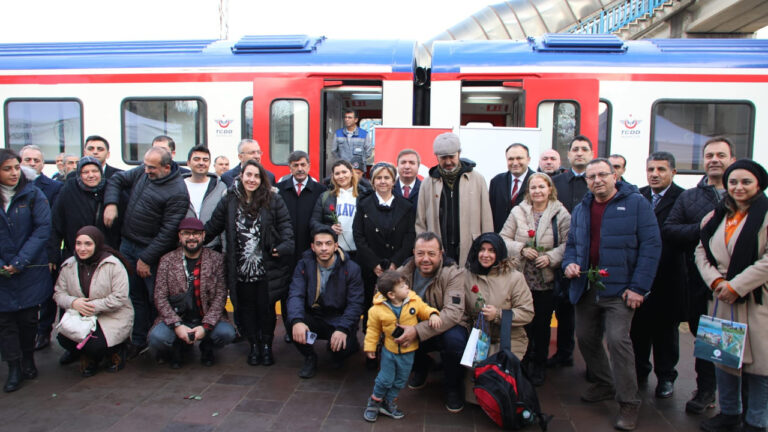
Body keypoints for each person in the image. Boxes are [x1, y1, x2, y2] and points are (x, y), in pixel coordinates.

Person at [562, 158, 661, 431]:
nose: (596, 180)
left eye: (602, 175)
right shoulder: (582, 209)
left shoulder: (637, 204)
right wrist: (568, 263)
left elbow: (651, 246)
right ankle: (604, 383)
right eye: (591, 177)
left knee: (618, 341)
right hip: (586, 285)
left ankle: (629, 403)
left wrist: (639, 287)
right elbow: (572, 244)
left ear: (614, 175)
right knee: (585, 337)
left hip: (620, 288)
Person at [663, 136, 736, 414]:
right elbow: (671, 230)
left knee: (729, 340)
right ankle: (706, 389)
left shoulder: (743, 194)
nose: (714, 160)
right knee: (705, 336)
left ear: (731, 158)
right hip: (698, 281)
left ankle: (730, 400)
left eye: (720, 155)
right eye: (709, 155)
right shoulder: (690, 197)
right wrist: (702, 229)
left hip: (736, 285)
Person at [694, 159, 768, 432]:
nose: (738, 187)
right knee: (722, 360)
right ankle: (729, 413)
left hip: (754, 300)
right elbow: (700, 251)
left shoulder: (766, 214)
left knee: (761, 368)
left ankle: (757, 421)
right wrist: (715, 280)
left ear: (758, 184)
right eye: (733, 182)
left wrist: (736, 285)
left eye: (746, 181)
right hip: (721, 298)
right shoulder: (716, 216)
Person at [204, 160, 294, 366]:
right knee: (245, 310)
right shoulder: (229, 199)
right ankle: (253, 346)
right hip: (240, 268)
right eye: (249, 175)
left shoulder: (273, 199)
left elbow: (286, 228)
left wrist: (282, 248)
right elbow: (213, 225)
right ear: (241, 176)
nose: (252, 180)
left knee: (266, 310)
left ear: (261, 179)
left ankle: (266, 346)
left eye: (256, 176)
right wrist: (193, 239)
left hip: (267, 268)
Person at [103, 147, 190, 356]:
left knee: (155, 299)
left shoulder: (177, 191)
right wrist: (111, 203)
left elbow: (168, 232)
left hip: (149, 252)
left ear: (166, 168)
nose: (146, 170)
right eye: (145, 165)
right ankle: (139, 340)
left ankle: (164, 343)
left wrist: (146, 258)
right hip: (127, 245)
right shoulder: (144, 171)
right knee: (134, 296)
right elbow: (116, 180)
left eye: (152, 167)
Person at [499, 172, 571, 386]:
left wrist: (550, 258)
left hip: (545, 280)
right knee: (522, 323)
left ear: (550, 189)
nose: (537, 191)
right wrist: (521, 249)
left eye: (542, 187)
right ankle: (522, 361)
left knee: (541, 324)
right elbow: (503, 238)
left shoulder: (561, 213)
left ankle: (539, 364)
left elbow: (570, 243)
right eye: (533, 187)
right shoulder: (518, 211)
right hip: (521, 279)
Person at [632, 152, 685, 399]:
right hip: (640, 277)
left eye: (661, 169)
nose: (655, 174)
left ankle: (666, 377)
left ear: (673, 172)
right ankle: (640, 370)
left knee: (665, 333)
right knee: (638, 328)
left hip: (668, 276)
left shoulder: (683, 198)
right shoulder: (637, 196)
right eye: (651, 169)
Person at [394, 232, 468, 412]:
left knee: (455, 342)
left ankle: (453, 385)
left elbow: (453, 313)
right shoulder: (403, 273)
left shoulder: (453, 273)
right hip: (416, 326)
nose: (425, 259)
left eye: (431, 254)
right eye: (420, 253)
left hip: (446, 326)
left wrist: (417, 331)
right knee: (391, 330)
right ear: (413, 253)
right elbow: (380, 295)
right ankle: (421, 365)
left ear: (441, 253)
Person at [150, 218, 235, 368]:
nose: (191, 237)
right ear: (179, 236)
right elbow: (160, 297)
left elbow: (221, 295)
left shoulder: (217, 260)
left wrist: (206, 326)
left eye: (195, 233)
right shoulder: (167, 260)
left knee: (226, 333)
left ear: (203, 236)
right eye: (186, 233)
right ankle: (178, 346)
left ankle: (207, 346)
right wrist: (177, 325)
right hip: (178, 317)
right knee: (157, 338)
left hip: (206, 316)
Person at [0, 149, 51, 392]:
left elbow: (42, 229)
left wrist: (19, 261)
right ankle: (14, 367)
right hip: (2, 271)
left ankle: (28, 359)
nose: (13, 173)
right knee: (5, 321)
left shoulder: (33, 194)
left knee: (29, 319)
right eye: (6, 168)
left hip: (29, 267)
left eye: (15, 167)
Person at [53, 226, 133, 377]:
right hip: (81, 316)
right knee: (64, 338)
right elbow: (59, 293)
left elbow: (120, 297)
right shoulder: (69, 265)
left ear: (97, 244)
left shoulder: (113, 265)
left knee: (96, 344)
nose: (82, 248)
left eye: (88, 244)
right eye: (78, 243)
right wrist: (74, 302)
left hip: (110, 316)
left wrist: (91, 306)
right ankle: (90, 356)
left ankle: (116, 350)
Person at [363, 270, 441, 422]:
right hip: (389, 350)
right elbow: (373, 329)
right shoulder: (376, 310)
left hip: (408, 351)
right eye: (403, 286)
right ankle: (375, 401)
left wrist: (433, 314)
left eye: (406, 284)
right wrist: (370, 347)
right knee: (385, 379)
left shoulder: (413, 300)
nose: (407, 287)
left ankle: (389, 402)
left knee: (400, 379)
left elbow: (424, 309)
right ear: (391, 294)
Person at [287, 227, 364, 379]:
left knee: (340, 349)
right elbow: (295, 294)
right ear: (312, 247)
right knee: (292, 322)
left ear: (336, 246)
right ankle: (310, 357)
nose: (323, 248)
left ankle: (348, 344)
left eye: (328, 244)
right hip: (315, 316)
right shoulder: (303, 265)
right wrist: (297, 321)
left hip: (338, 318)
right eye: (319, 244)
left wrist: (343, 328)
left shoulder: (351, 268)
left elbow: (356, 304)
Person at [353, 162, 415, 342]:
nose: (383, 181)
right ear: (372, 181)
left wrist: (395, 263)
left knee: (396, 307)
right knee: (370, 307)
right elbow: (359, 236)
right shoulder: (364, 204)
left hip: (396, 267)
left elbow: (410, 236)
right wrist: (374, 264)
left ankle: (393, 342)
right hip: (370, 267)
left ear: (393, 180)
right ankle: (370, 345)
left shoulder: (406, 206)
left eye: (386, 177)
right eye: (378, 178)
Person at [548, 135, 593, 369]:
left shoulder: (596, 180)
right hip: (561, 254)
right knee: (563, 307)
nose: (579, 153)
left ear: (591, 154)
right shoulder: (556, 182)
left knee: (589, 313)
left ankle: (592, 363)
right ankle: (564, 353)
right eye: (575, 149)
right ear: (569, 154)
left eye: (584, 149)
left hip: (591, 255)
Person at [415, 132, 493, 266]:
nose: (448, 162)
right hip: (439, 249)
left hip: (470, 247)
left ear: (459, 153)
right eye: (443, 158)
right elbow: (420, 221)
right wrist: (425, 249)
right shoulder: (427, 183)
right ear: (436, 157)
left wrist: (488, 246)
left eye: (452, 157)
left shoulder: (477, 179)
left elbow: (486, 217)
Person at [464, 232, 534, 375]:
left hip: (508, 339)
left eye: (491, 251)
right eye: (482, 250)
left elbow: (527, 313)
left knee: (497, 382)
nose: (485, 255)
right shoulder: (467, 276)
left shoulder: (515, 278)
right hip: (478, 340)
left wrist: (498, 315)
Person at [277, 151, 327, 342]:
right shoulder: (279, 189)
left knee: (309, 289)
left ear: (309, 165)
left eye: (303, 164)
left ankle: (306, 325)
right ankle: (291, 329)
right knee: (286, 290)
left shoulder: (320, 191)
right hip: (286, 252)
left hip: (310, 250)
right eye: (295, 165)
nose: (299, 168)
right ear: (289, 167)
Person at [19, 145, 62, 351]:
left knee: (46, 295)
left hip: (43, 250)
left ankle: (44, 331)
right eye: (28, 160)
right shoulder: (10, 187)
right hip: (16, 251)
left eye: (36, 160)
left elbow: (53, 225)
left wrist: (52, 254)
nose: (32, 163)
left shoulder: (53, 187)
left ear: (43, 163)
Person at [311, 160, 368, 257]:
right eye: (337, 173)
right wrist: (329, 228)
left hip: (359, 251)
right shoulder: (325, 197)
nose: (341, 176)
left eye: (344, 172)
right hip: (334, 252)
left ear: (351, 172)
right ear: (333, 176)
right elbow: (313, 222)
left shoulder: (364, 195)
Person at [183, 145, 226, 250]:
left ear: (209, 163)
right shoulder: (178, 187)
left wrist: (225, 251)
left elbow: (225, 223)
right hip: (184, 248)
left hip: (213, 248)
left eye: (205, 160)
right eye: (196, 159)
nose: (201, 163)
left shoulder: (220, 187)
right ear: (188, 163)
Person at [489, 143, 535, 233]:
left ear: (528, 160)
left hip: (527, 239)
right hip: (500, 238)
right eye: (511, 159)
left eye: (519, 158)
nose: (515, 163)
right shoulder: (496, 181)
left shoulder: (537, 182)